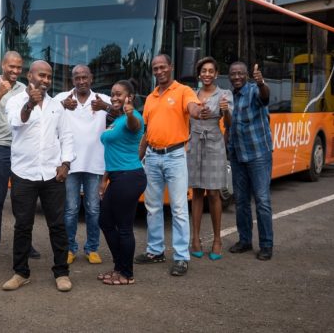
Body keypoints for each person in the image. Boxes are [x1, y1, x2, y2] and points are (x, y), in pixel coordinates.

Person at [2, 60, 74, 292]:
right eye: (41, 75)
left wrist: (66, 164)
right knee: (23, 225)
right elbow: (17, 122)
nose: (45, 80)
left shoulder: (56, 106)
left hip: (53, 175)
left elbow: (66, 136)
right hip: (24, 173)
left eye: (49, 77)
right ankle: (20, 273)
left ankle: (61, 272)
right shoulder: (15, 101)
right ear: (29, 75)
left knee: (57, 225)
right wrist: (30, 105)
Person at [135, 54, 201, 277]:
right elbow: (147, 130)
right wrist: (138, 159)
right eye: (155, 68)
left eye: (163, 67)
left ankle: (181, 257)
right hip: (152, 156)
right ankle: (155, 251)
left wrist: (198, 112)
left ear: (171, 67)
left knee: (179, 208)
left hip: (174, 156)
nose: (159, 71)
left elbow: (193, 108)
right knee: (152, 207)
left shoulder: (183, 91)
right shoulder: (151, 97)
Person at [0, 51, 40, 262]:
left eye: (19, 67)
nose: (15, 71)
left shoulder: (25, 89)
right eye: (11, 67)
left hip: (22, 150)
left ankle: (26, 244)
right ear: (3, 66)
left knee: (23, 201)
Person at [54, 64, 111, 265]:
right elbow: (45, 113)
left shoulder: (103, 100)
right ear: (72, 81)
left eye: (84, 77)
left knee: (93, 209)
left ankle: (92, 248)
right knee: (70, 210)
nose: (81, 81)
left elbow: (123, 115)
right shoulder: (63, 98)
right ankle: (70, 248)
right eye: (77, 78)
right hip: (69, 164)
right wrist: (62, 104)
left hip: (95, 164)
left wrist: (106, 108)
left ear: (91, 78)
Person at [97, 80, 146, 285]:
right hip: (117, 177)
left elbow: (135, 126)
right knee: (105, 222)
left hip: (129, 177)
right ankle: (119, 267)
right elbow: (112, 151)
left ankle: (126, 273)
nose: (114, 97)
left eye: (119, 94)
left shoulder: (132, 117)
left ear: (130, 97)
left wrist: (129, 112)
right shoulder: (116, 120)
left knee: (123, 227)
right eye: (112, 94)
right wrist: (104, 179)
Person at [227, 62, 274, 261]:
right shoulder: (230, 97)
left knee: (262, 201)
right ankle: (245, 240)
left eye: (240, 73)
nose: (236, 77)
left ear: (246, 75)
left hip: (258, 155)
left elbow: (265, 97)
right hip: (238, 156)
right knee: (241, 202)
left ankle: (266, 245)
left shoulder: (254, 90)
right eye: (233, 74)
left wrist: (261, 82)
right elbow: (230, 127)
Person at [187, 57, 233, 261]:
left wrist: (225, 110)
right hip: (195, 143)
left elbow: (229, 123)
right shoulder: (191, 95)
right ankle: (195, 239)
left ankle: (217, 240)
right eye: (203, 71)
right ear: (199, 74)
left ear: (216, 74)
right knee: (196, 191)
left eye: (210, 71)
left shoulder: (224, 94)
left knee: (214, 193)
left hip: (214, 143)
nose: (207, 74)